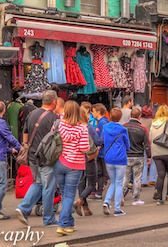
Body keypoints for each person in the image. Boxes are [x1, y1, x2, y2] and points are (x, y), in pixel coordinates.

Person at [15, 90, 58, 227]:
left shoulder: (32, 114)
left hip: (33, 155)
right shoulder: (54, 118)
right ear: (54, 102)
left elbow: (25, 132)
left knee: (38, 183)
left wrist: (26, 147)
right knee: (48, 187)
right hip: (47, 157)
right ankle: (48, 218)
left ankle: (23, 208)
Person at [54, 101, 90, 237]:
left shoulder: (60, 124)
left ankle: (69, 223)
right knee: (69, 195)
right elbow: (84, 148)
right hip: (75, 165)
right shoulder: (82, 128)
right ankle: (62, 224)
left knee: (65, 195)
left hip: (59, 162)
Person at [102, 108, 130, 216]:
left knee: (113, 182)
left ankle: (107, 201)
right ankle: (117, 208)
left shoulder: (105, 128)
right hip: (120, 158)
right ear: (120, 117)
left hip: (108, 158)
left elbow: (102, 140)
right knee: (118, 183)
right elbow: (127, 145)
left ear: (109, 116)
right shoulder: (123, 129)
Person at [149, 105, 168, 205]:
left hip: (156, 153)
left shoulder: (153, 123)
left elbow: (150, 137)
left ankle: (158, 197)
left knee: (160, 174)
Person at [123, 107, 150, 206]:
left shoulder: (124, 126)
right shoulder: (143, 128)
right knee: (137, 178)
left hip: (127, 155)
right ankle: (136, 198)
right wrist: (149, 156)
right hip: (138, 155)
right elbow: (147, 144)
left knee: (125, 178)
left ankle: (120, 197)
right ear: (139, 116)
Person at [75, 105, 98, 217]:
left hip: (79, 158)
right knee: (92, 183)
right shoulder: (88, 127)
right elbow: (98, 141)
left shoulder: (75, 127)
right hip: (89, 157)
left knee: (81, 182)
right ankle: (80, 200)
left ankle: (85, 207)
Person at [92, 103, 109, 198]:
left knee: (103, 173)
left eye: (93, 111)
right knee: (100, 172)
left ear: (98, 112)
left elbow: (102, 138)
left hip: (102, 151)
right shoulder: (100, 122)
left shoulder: (103, 123)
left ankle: (101, 192)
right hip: (100, 152)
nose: (92, 113)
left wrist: (98, 145)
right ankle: (99, 192)